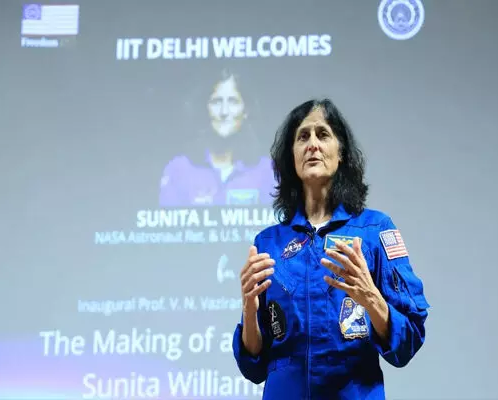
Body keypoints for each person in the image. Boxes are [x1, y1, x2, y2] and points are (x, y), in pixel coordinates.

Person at [231, 99, 430, 399]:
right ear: (292, 156)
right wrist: (249, 309)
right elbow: (254, 366)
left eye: (323, 134)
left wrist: (371, 298)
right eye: (303, 137)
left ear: (341, 153)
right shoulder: (268, 242)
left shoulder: (374, 229)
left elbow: (409, 340)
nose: (312, 144)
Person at [158, 70, 274, 207]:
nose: (224, 112)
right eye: (217, 102)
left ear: (246, 111)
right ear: (205, 109)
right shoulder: (178, 169)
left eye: (233, 101)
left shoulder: (267, 171)